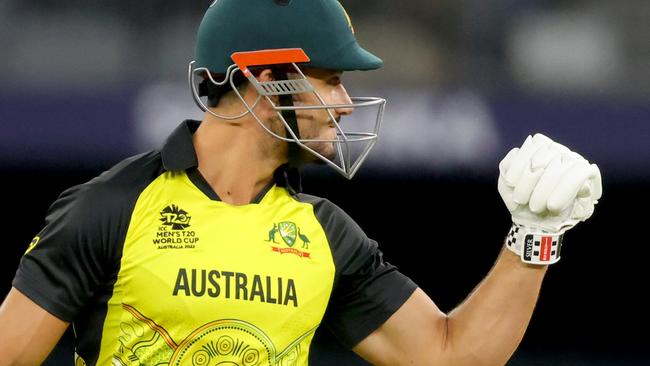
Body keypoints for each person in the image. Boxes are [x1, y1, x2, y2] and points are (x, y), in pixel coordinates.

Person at [0, 1, 602, 365]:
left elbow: (449, 355)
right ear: (265, 78)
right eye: (332, 79)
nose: (344, 104)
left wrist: (534, 238)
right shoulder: (113, 207)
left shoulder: (325, 235)